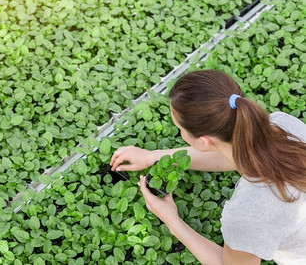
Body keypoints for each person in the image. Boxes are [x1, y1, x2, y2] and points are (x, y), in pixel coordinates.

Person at [109, 70, 306, 265]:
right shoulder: (282, 124)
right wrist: (152, 157)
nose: (180, 132)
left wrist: (171, 220)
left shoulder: (247, 214)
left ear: (204, 141)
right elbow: (234, 156)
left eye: (180, 129)